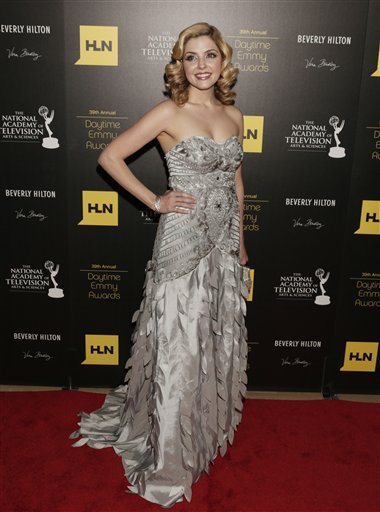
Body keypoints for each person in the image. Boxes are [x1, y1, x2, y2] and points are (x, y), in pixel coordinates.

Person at [70, 21, 249, 508]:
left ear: (223, 61)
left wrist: (242, 240)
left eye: (209, 55)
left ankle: (200, 431)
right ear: (180, 64)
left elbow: (235, 182)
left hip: (221, 245)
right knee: (176, 343)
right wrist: (156, 200)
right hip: (181, 242)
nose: (202, 65)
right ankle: (169, 453)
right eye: (191, 57)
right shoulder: (170, 111)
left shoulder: (234, 116)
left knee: (212, 337)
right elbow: (111, 156)